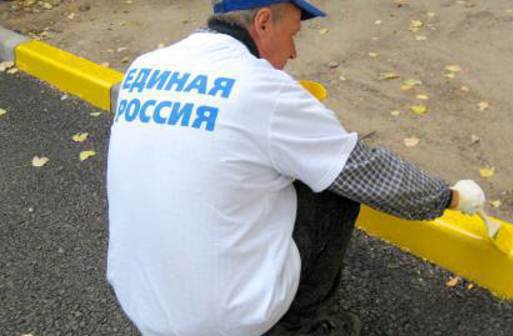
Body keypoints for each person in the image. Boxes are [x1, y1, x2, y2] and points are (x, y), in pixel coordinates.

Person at [105, 1, 487, 335]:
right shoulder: (263, 88)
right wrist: (449, 198)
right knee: (332, 185)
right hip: (225, 321)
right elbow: (365, 169)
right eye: (293, 34)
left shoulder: (144, 67)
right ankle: (303, 325)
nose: (293, 53)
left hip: (141, 303)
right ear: (264, 22)